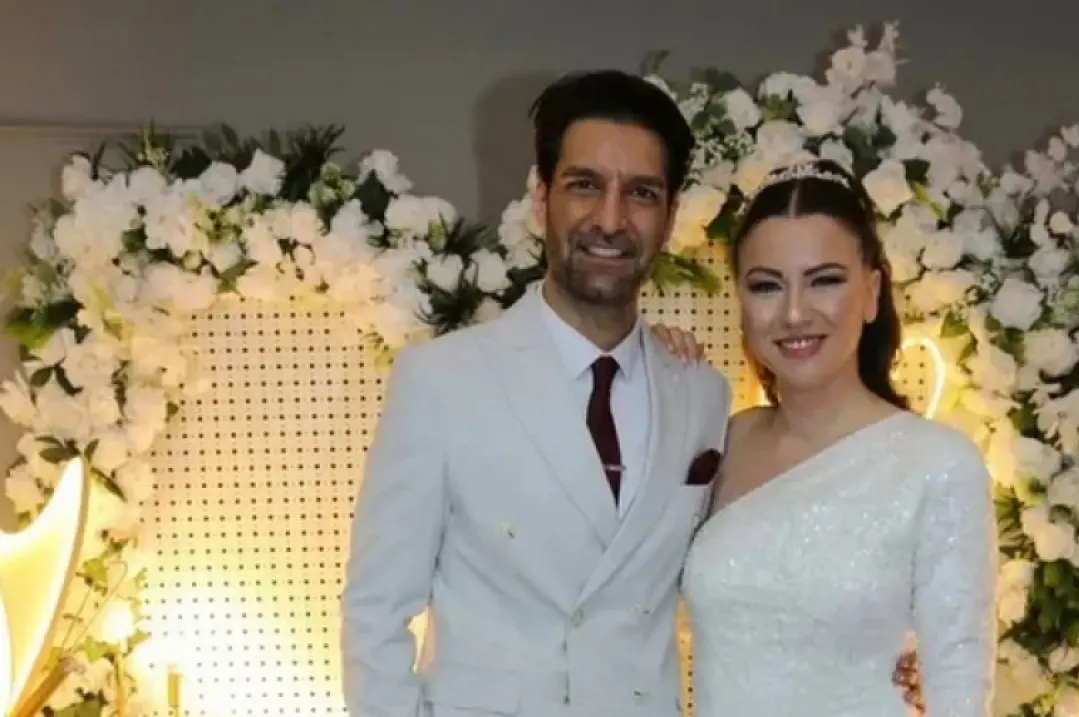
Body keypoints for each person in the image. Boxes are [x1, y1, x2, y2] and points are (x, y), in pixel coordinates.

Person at [340, 69, 919, 717]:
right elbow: (375, 613)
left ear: (669, 218)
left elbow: (757, 568)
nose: (610, 219)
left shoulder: (700, 395)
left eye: (641, 193)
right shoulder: (443, 382)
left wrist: (886, 652)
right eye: (585, 185)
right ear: (541, 199)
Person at [655, 159, 997, 716]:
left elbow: (961, 689)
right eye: (767, 286)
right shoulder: (725, 440)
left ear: (872, 292)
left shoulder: (938, 464)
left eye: (824, 281)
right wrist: (647, 370)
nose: (794, 312)